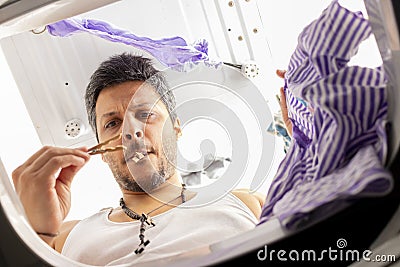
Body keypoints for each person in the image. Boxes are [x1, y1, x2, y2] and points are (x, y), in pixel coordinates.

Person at [12, 53, 265, 266]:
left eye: (145, 113)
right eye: (112, 123)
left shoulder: (248, 205)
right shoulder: (63, 238)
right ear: (99, 149)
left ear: (176, 128)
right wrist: (35, 234)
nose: (130, 131)